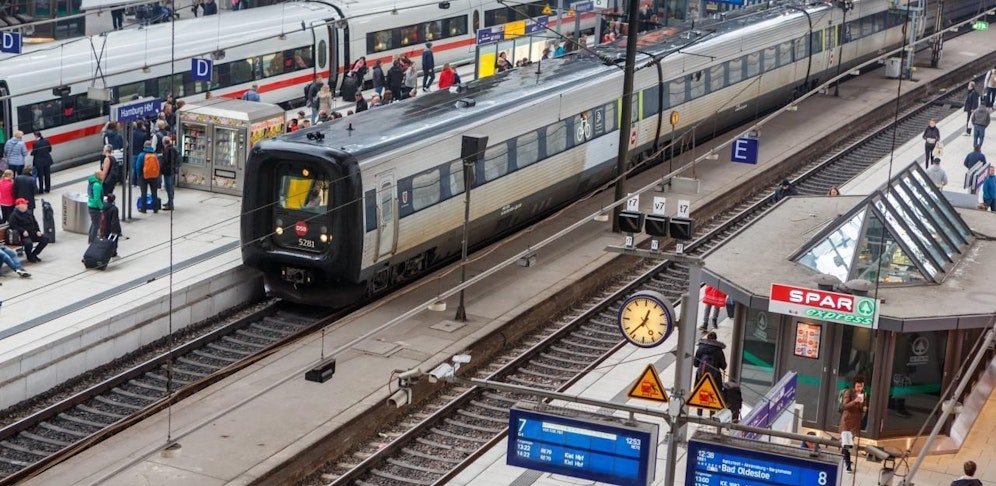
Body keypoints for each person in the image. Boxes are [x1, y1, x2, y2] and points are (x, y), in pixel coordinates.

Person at [693, 331, 727, 416]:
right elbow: (724, 366)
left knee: (700, 392)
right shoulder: (718, 350)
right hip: (714, 377)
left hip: (701, 375)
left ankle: (699, 414)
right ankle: (712, 415)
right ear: (715, 339)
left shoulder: (701, 348)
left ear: (707, 338)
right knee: (714, 394)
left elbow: (695, 364)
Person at [839, 375, 868, 473]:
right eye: (858, 386)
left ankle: (842, 458)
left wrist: (864, 408)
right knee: (847, 444)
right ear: (854, 386)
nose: (860, 388)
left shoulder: (863, 393)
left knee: (847, 443)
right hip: (847, 422)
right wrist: (855, 401)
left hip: (855, 423)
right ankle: (847, 464)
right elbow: (844, 406)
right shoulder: (849, 392)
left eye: (862, 386)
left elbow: (862, 406)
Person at [8, 198, 47, 262]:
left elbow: (35, 222)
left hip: (33, 233)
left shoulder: (29, 212)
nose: (26, 205)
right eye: (25, 204)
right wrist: (22, 231)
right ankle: (29, 256)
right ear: (19, 206)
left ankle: (34, 254)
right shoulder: (14, 215)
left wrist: (38, 230)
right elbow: (13, 226)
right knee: (28, 243)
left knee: (45, 239)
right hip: (23, 236)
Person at [135, 141, 160, 214]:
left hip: (144, 176)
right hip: (154, 176)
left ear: (144, 146)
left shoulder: (141, 155)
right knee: (154, 193)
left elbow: (138, 167)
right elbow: (158, 166)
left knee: (144, 193)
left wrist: (139, 176)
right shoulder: (155, 155)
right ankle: (155, 208)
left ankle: (143, 208)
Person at [161, 137, 178, 210]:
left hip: (167, 171)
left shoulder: (167, 150)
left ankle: (170, 204)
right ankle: (169, 202)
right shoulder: (173, 149)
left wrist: (162, 168)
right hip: (172, 170)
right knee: (170, 187)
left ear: (163, 143)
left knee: (168, 187)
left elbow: (165, 161)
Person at [86, 171, 104, 244]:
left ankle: (90, 239)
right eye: (102, 175)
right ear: (98, 176)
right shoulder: (97, 185)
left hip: (91, 205)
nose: (103, 176)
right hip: (95, 207)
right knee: (96, 225)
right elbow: (97, 198)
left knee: (93, 223)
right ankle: (93, 241)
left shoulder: (92, 182)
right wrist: (101, 207)